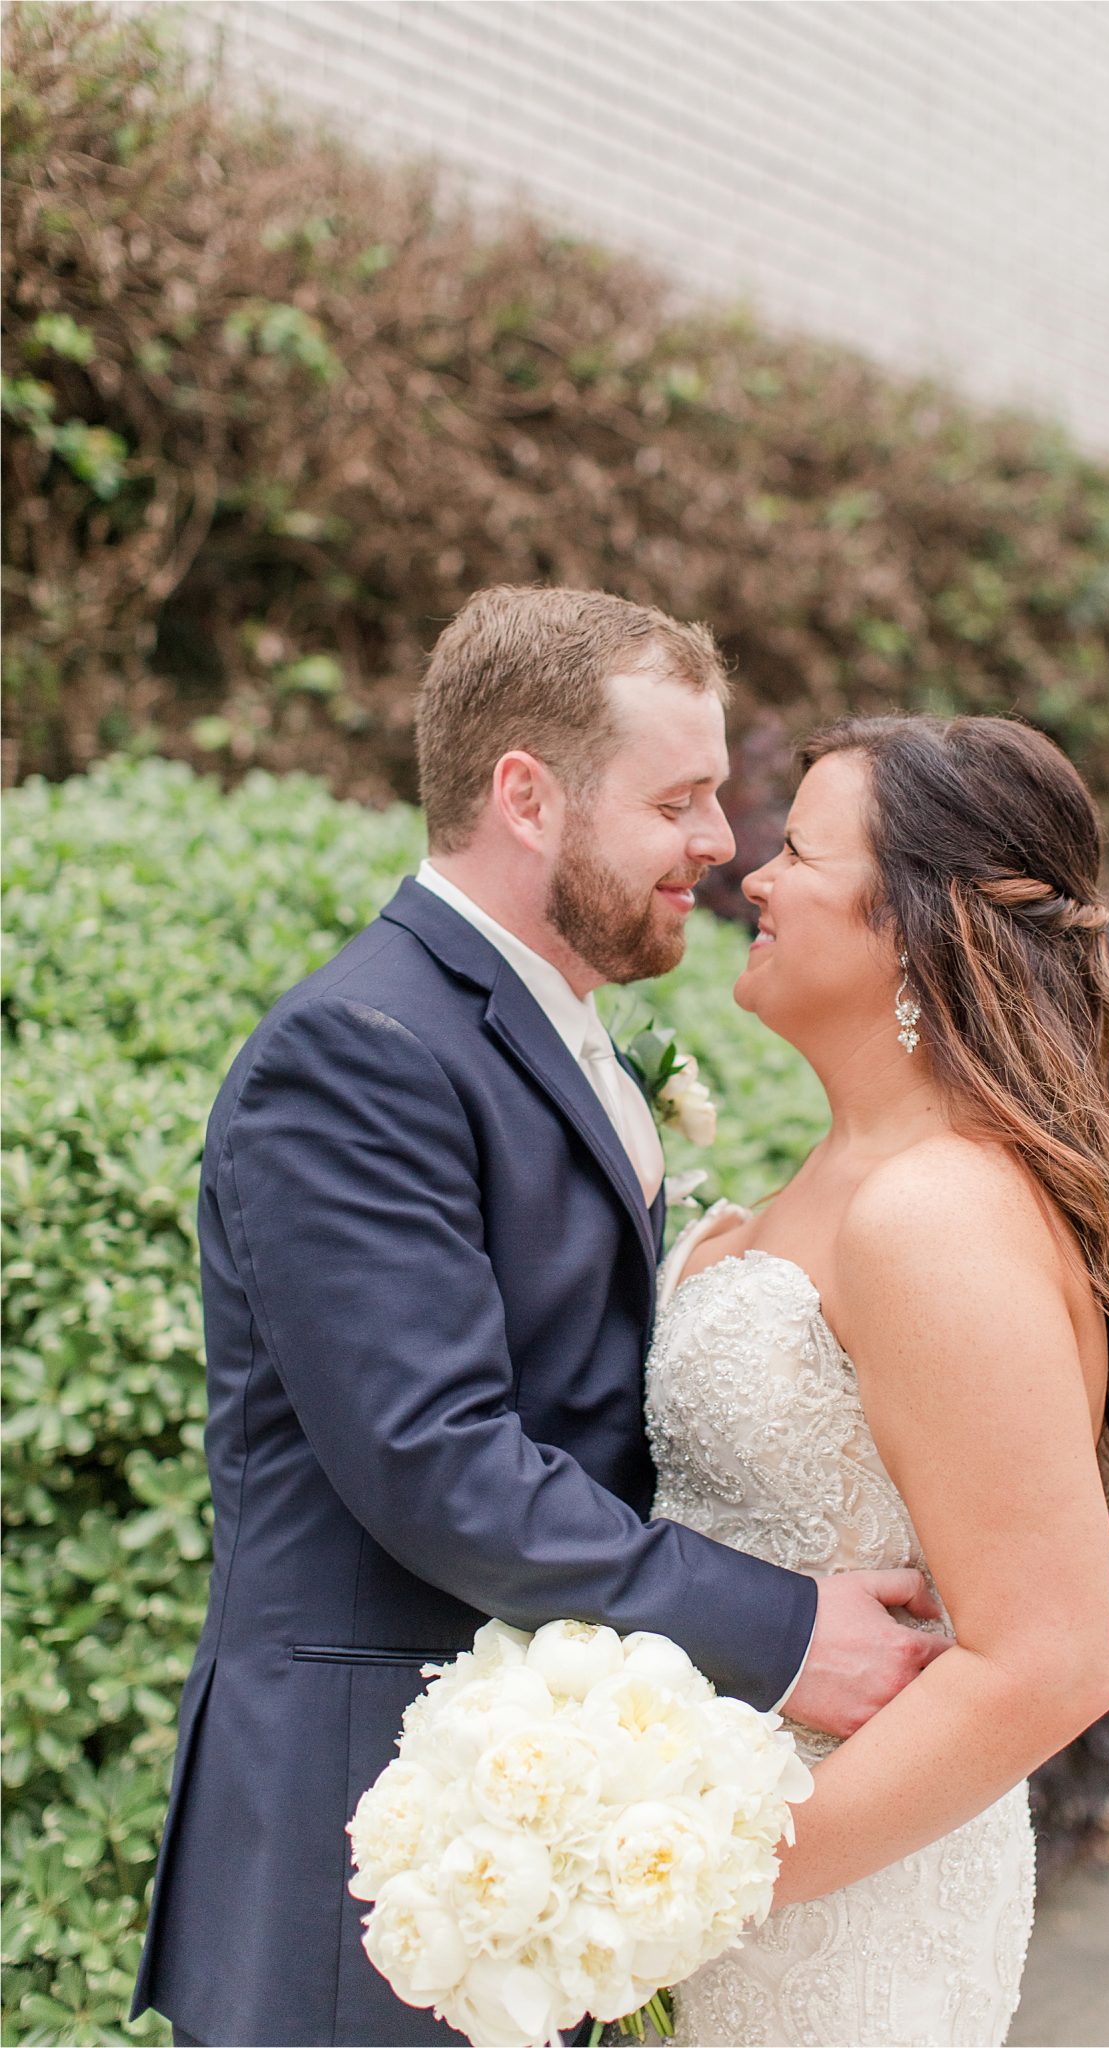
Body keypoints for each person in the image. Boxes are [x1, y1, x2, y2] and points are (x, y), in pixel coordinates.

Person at [130, 589, 945, 2048]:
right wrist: (773, 1628)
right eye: (680, 800)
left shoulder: (548, 1027)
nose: (720, 846)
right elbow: (437, 1463)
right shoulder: (356, 1054)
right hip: (366, 1837)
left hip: (538, 1822)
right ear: (526, 794)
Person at [647, 711, 1109, 2047]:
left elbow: (1050, 1660)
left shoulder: (935, 1214)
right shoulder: (837, 1183)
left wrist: (706, 1889)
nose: (752, 879)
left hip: (821, 1915)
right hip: (724, 1886)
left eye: (795, 849)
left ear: (912, 923)